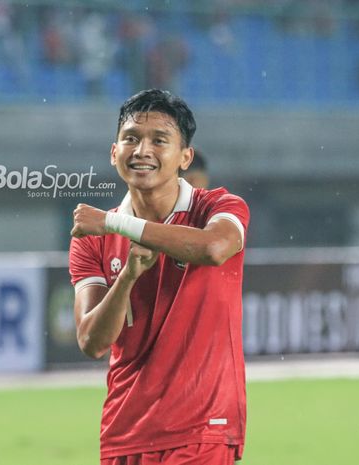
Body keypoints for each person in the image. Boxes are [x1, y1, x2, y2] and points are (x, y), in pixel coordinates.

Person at [69, 89, 250, 464]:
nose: (142, 150)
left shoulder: (217, 207)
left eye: (159, 140)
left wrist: (116, 223)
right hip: (124, 433)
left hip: (202, 428)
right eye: (131, 138)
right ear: (114, 152)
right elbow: (92, 341)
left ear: (185, 157)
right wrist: (128, 277)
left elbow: (214, 248)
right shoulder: (93, 241)